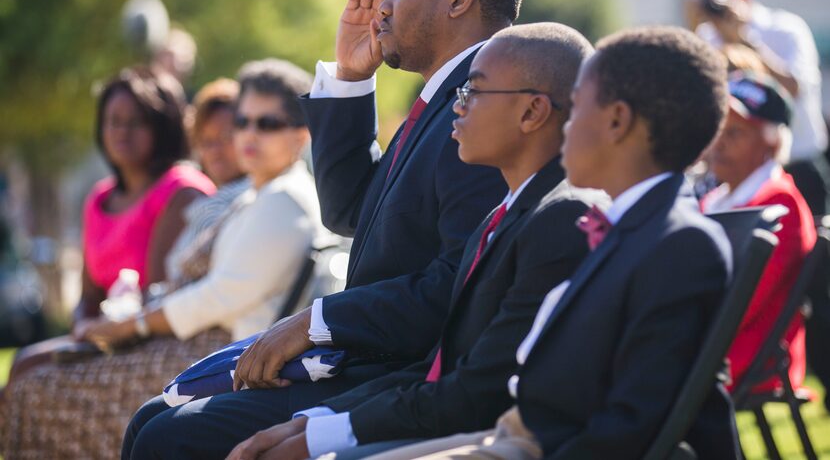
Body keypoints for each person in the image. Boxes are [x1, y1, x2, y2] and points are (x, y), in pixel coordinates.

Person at [123, 0, 523, 459]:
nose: (381, 6)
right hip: (374, 358)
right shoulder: (444, 98)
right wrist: (352, 77)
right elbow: (352, 209)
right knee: (154, 420)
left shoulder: (481, 108)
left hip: (405, 374)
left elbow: (456, 284)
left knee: (171, 435)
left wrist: (317, 324)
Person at [225, 24, 608, 460]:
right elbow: (439, 368)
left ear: (532, 112)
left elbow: (477, 391)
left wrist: (323, 436)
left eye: (473, 94)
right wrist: (316, 422)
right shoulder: (502, 217)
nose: (456, 109)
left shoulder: (559, 220)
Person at [367, 26, 739, 460]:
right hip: (516, 436)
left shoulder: (680, 244)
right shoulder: (624, 228)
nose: (564, 127)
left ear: (617, 121)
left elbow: (628, 428)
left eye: (577, 107)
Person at [0, 60, 325, 459]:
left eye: (267, 123)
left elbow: (218, 296)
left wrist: (131, 325)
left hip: (225, 358)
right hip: (199, 345)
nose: (248, 135)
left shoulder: (284, 199)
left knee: (38, 388)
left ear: (301, 133)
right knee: (32, 374)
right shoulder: (258, 193)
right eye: (241, 121)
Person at [5, 67, 215, 384]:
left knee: (30, 372)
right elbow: (89, 294)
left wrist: (101, 331)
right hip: (105, 337)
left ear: (163, 127)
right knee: (24, 365)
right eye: (113, 121)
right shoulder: (99, 197)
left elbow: (156, 296)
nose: (121, 132)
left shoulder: (181, 191)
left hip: (157, 343)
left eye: (136, 122)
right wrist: (82, 327)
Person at [703, 72, 815, 394]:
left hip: (745, 358)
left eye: (735, 132)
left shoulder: (778, 202)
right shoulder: (716, 197)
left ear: (771, 141)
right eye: (718, 129)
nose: (719, 142)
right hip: (715, 350)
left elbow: (738, 306)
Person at [694, 0, 827, 216]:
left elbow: (794, 88)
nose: (715, 5)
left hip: (797, 164)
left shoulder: (784, 28)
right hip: (738, 169)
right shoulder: (708, 36)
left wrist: (745, 41)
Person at [165, 78, 249, 284]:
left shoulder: (239, 199)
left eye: (226, 137)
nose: (215, 151)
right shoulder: (216, 199)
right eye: (206, 142)